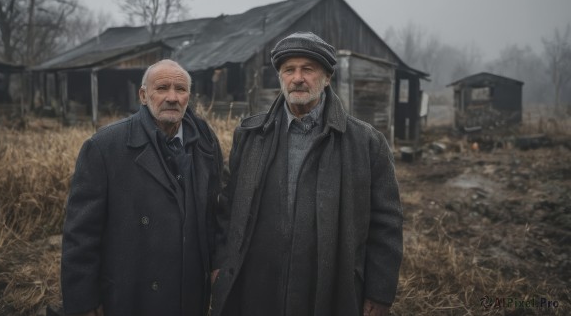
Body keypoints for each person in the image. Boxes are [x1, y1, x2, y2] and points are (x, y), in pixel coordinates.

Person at [211, 32, 403, 316]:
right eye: (289, 70)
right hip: (256, 286)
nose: (297, 78)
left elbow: (386, 223)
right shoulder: (250, 135)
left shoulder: (365, 142)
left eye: (308, 69)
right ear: (280, 78)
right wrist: (220, 264)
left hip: (330, 288)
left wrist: (379, 292)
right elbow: (227, 208)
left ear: (326, 78)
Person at [61, 59, 223, 316]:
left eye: (180, 89)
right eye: (162, 88)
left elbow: (216, 214)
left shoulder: (205, 143)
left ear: (188, 97)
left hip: (190, 293)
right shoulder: (105, 147)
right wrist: (83, 302)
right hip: (131, 294)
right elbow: (81, 234)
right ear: (143, 95)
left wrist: (218, 264)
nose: (172, 97)